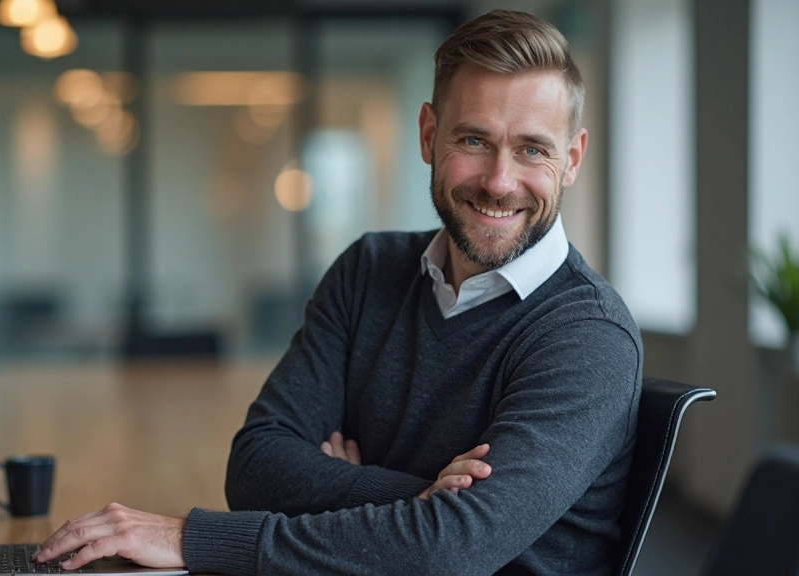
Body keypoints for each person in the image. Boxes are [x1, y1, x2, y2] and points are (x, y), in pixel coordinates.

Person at [33, 9, 642, 575]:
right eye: (473, 141)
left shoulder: (586, 335)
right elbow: (254, 468)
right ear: (430, 135)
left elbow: (453, 546)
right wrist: (417, 495)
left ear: (573, 158)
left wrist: (192, 539)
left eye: (532, 149)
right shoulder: (370, 269)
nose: (499, 181)